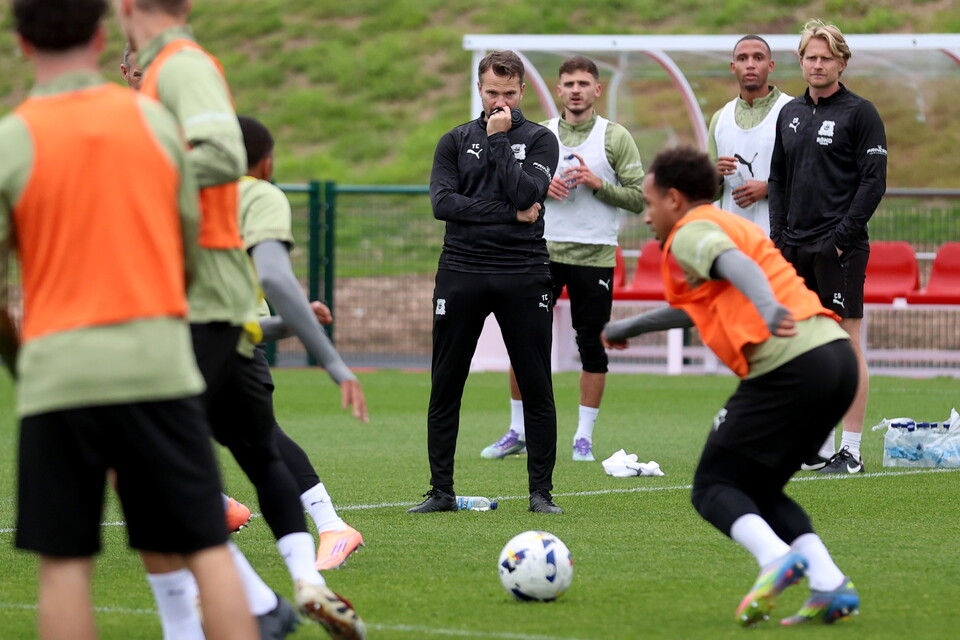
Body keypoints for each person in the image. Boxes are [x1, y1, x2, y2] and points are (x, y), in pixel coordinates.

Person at [0, 1, 256, 639]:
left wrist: (21, 358)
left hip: (59, 373)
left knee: (64, 566)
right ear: (98, 33)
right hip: (157, 363)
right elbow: (189, 244)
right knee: (205, 546)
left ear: (22, 45)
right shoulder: (153, 120)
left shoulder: (10, 140)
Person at [115, 2, 365, 638]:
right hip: (231, 327)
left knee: (154, 465)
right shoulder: (175, 84)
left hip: (193, 318)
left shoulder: (189, 70)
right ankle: (304, 579)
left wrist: (326, 352)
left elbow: (273, 272)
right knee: (261, 452)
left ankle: (228, 609)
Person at [603, 146, 860, 627]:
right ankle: (829, 585)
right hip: (835, 357)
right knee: (759, 489)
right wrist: (627, 328)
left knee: (712, 486)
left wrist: (764, 307)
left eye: (650, 203)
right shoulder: (731, 225)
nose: (646, 216)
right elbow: (698, 305)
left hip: (790, 364)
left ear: (675, 200)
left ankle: (775, 560)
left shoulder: (692, 231)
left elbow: (737, 269)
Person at [410, 50, 562, 514]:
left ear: (522, 93)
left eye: (509, 94)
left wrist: (500, 142)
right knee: (446, 383)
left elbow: (526, 194)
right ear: (479, 89)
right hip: (461, 270)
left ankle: (541, 494)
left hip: (524, 271)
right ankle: (441, 491)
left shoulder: (540, 140)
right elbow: (443, 204)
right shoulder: (453, 141)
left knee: (536, 384)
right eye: (492, 92)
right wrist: (508, 215)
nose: (500, 102)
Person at [481, 55, 645, 463]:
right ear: (557, 90)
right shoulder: (541, 135)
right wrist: (540, 187)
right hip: (541, 252)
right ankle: (517, 430)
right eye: (568, 83)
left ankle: (583, 437)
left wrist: (597, 184)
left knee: (593, 344)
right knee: (524, 340)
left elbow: (640, 197)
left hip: (595, 255)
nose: (575, 90)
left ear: (596, 90)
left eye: (583, 83)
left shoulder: (614, 136)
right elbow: (514, 186)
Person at [237, 114, 367, 570]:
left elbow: (272, 276)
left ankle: (330, 528)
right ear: (268, 163)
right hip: (196, 339)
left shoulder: (245, 196)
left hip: (231, 342)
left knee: (260, 440)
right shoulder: (188, 198)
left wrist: (300, 328)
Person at [769, 19, 888, 474]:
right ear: (800, 61)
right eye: (810, 57)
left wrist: (839, 241)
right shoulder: (789, 113)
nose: (817, 65)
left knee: (846, 343)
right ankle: (815, 444)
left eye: (826, 57)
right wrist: (779, 236)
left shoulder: (861, 112)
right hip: (792, 246)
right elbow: (778, 178)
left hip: (840, 249)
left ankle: (852, 451)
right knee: (802, 346)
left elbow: (873, 181)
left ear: (842, 61)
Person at [707, 35, 792, 237]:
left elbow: (810, 178)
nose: (750, 65)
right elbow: (707, 192)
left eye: (758, 58)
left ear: (771, 66)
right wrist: (714, 175)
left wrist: (769, 188)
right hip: (732, 239)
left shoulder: (793, 111)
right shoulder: (720, 119)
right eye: (743, 58)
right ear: (733, 66)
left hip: (781, 239)